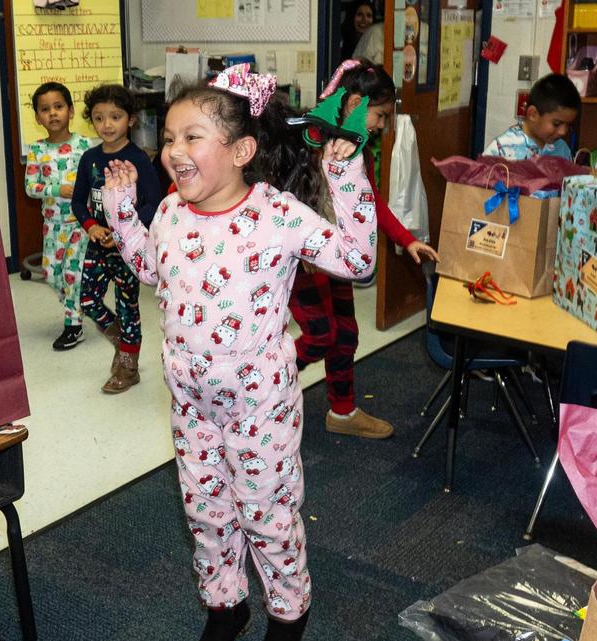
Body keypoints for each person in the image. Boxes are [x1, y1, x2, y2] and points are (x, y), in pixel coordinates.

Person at [100, 63, 379, 641]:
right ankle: (226, 606)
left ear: (242, 149)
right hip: (189, 400)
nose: (173, 151)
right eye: (169, 138)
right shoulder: (173, 211)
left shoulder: (275, 213)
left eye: (191, 138)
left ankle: (288, 611)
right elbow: (153, 269)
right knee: (205, 511)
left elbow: (358, 260)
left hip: (260, 404)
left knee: (267, 514)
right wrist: (123, 213)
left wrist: (345, 174)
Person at [290, 59, 439, 440]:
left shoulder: (357, 149)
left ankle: (342, 413)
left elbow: (370, 202)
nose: (382, 126)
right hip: (300, 262)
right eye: (380, 115)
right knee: (320, 333)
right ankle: (262, 381)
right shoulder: (305, 140)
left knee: (346, 335)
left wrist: (407, 240)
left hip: (337, 256)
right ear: (355, 102)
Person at [70, 83, 160, 393]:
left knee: (127, 305)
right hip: (97, 244)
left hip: (128, 249)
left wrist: (128, 228)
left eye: (115, 116)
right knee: (88, 300)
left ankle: (128, 364)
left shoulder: (140, 159)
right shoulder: (89, 158)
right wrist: (91, 226)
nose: (107, 125)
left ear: (131, 120)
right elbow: (78, 201)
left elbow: (154, 203)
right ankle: (122, 338)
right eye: (99, 118)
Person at [24, 81, 95, 350]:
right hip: (52, 225)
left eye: (58, 107)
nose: (53, 113)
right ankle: (76, 305)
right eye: (45, 109)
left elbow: (95, 180)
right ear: (37, 117)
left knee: (71, 274)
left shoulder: (85, 146)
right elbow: (31, 187)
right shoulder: (37, 150)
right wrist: (58, 188)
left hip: (80, 223)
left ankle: (73, 324)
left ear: (71, 111)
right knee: (53, 274)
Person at [482, 73, 580, 160]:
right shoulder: (502, 148)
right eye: (556, 123)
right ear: (533, 114)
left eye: (568, 125)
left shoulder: (562, 149)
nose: (563, 131)